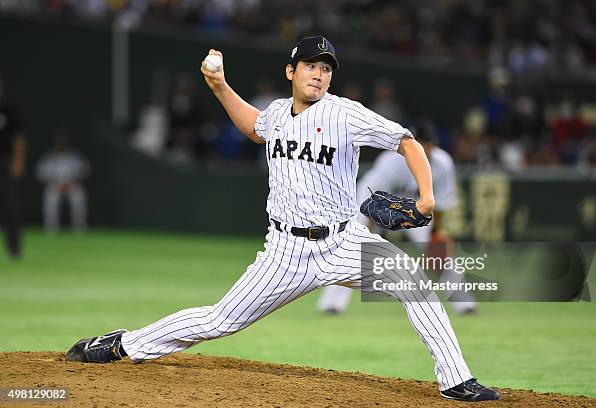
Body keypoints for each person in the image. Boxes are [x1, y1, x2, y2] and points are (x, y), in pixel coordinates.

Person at [65, 36, 500, 402]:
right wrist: (218, 85)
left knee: (412, 281)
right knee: (220, 321)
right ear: (290, 70)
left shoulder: (344, 114)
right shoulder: (276, 112)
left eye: (326, 68)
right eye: (310, 65)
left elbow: (407, 142)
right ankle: (125, 344)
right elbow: (255, 127)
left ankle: (456, 380)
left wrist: (425, 198)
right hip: (285, 252)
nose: (319, 74)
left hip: (343, 241)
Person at [317, 121, 478, 316]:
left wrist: (436, 233)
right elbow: (371, 198)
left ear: (433, 145)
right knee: (352, 248)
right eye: (420, 142)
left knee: (440, 250)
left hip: (414, 205)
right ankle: (331, 304)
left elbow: (442, 202)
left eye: (427, 143)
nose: (424, 147)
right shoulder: (391, 161)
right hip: (373, 202)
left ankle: (465, 303)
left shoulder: (442, 164)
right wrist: (365, 234)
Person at [36, 131, 90, 234]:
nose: (61, 146)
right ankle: (51, 228)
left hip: (72, 185)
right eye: (60, 144)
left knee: (78, 195)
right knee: (50, 196)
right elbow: (41, 174)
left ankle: (79, 228)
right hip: (55, 185)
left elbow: (85, 171)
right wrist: (56, 183)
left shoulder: (75, 157)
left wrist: (72, 182)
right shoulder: (49, 157)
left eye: (63, 144)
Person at [0, 75, 26, 259]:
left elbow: (19, 138)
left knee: (9, 205)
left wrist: (18, 160)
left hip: (4, 161)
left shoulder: (9, 110)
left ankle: (14, 248)